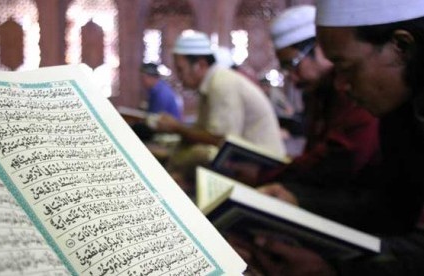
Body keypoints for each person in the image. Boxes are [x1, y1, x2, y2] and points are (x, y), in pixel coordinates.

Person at [247, 0, 424, 275]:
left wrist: (333, 269)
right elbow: (391, 207)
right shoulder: (398, 110)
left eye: (346, 67)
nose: (341, 84)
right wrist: (298, 199)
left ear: (402, 47)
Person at [256, 5, 383, 231]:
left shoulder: (355, 88)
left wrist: (274, 180)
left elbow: (343, 160)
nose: (293, 79)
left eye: (293, 65)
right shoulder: (320, 92)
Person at [155, 30, 286, 193]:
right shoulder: (210, 85)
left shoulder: (222, 83)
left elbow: (221, 141)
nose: (179, 77)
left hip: (263, 169)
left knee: (196, 156)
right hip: (244, 163)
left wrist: (177, 128)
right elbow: (202, 133)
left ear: (201, 65)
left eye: (181, 70)